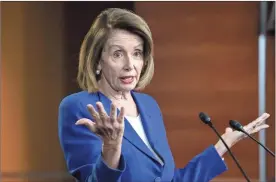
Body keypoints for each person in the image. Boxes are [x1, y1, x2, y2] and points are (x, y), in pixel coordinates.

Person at [58, 8, 270, 182]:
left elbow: (171, 180)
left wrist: (224, 144)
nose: (129, 65)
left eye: (137, 53)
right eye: (117, 54)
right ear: (97, 61)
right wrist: (112, 149)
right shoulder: (79, 107)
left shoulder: (148, 106)